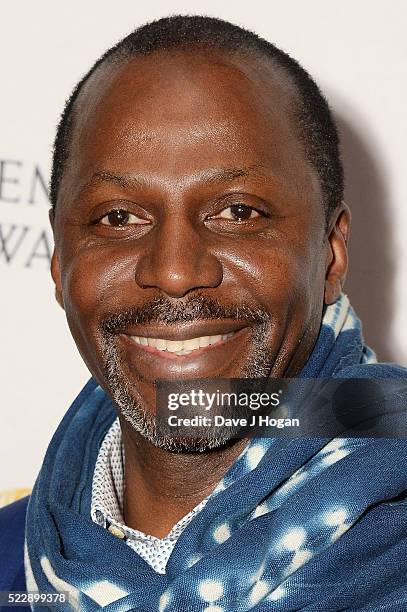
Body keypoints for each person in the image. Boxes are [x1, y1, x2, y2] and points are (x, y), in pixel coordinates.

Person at [1, 14, 407, 611]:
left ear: (331, 253)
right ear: (61, 265)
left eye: (237, 212)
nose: (174, 270)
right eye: (118, 218)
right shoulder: (15, 557)